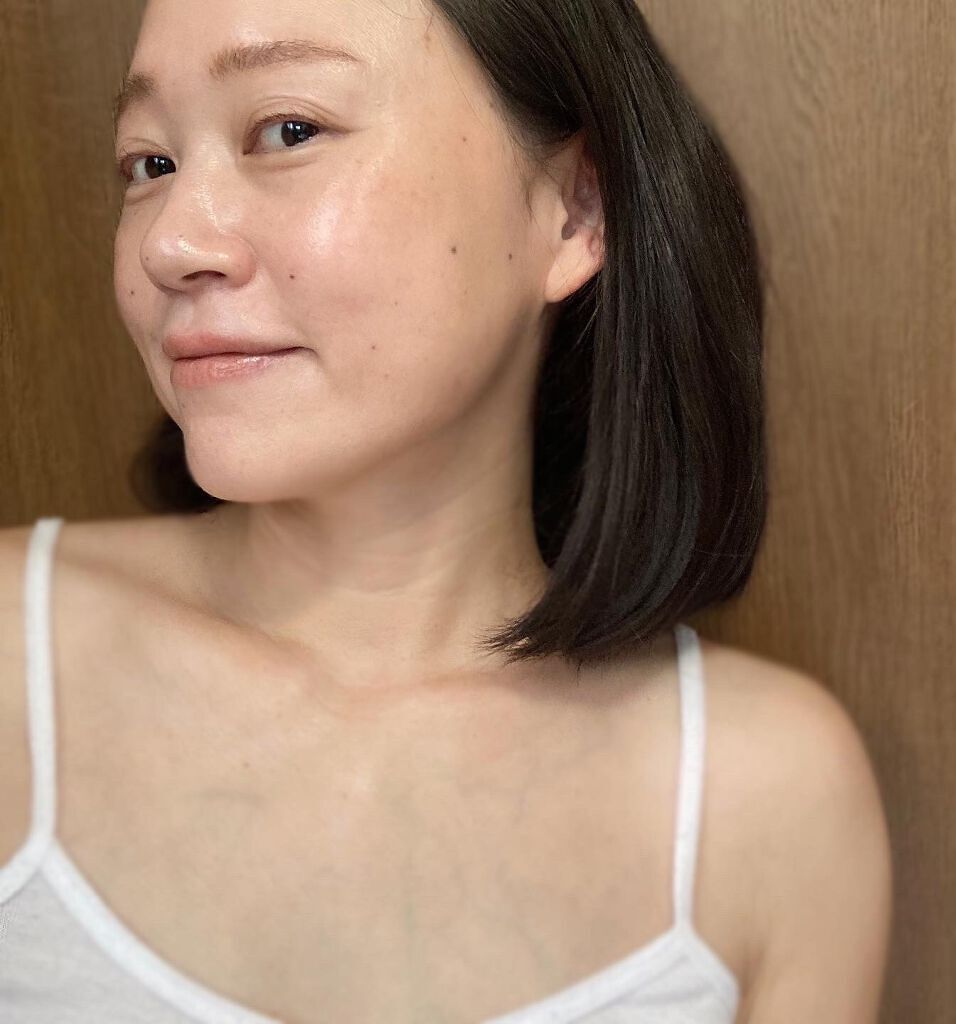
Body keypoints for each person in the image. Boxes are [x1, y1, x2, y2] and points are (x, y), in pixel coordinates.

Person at [0, 0, 892, 1021]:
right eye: (149, 163)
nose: (172, 242)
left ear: (576, 209)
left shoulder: (764, 804)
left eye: (287, 130)